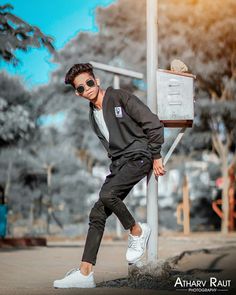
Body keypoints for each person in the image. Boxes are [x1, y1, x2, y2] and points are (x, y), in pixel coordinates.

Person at [53, 63, 165, 288]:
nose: (87, 88)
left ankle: (137, 231)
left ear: (98, 81)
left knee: (108, 194)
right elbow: (112, 148)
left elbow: (153, 123)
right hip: (121, 163)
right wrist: (116, 168)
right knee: (97, 213)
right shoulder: (93, 116)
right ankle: (85, 274)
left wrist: (156, 155)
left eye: (90, 82)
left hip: (140, 156)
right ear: (78, 93)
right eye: (82, 88)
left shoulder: (120, 97)